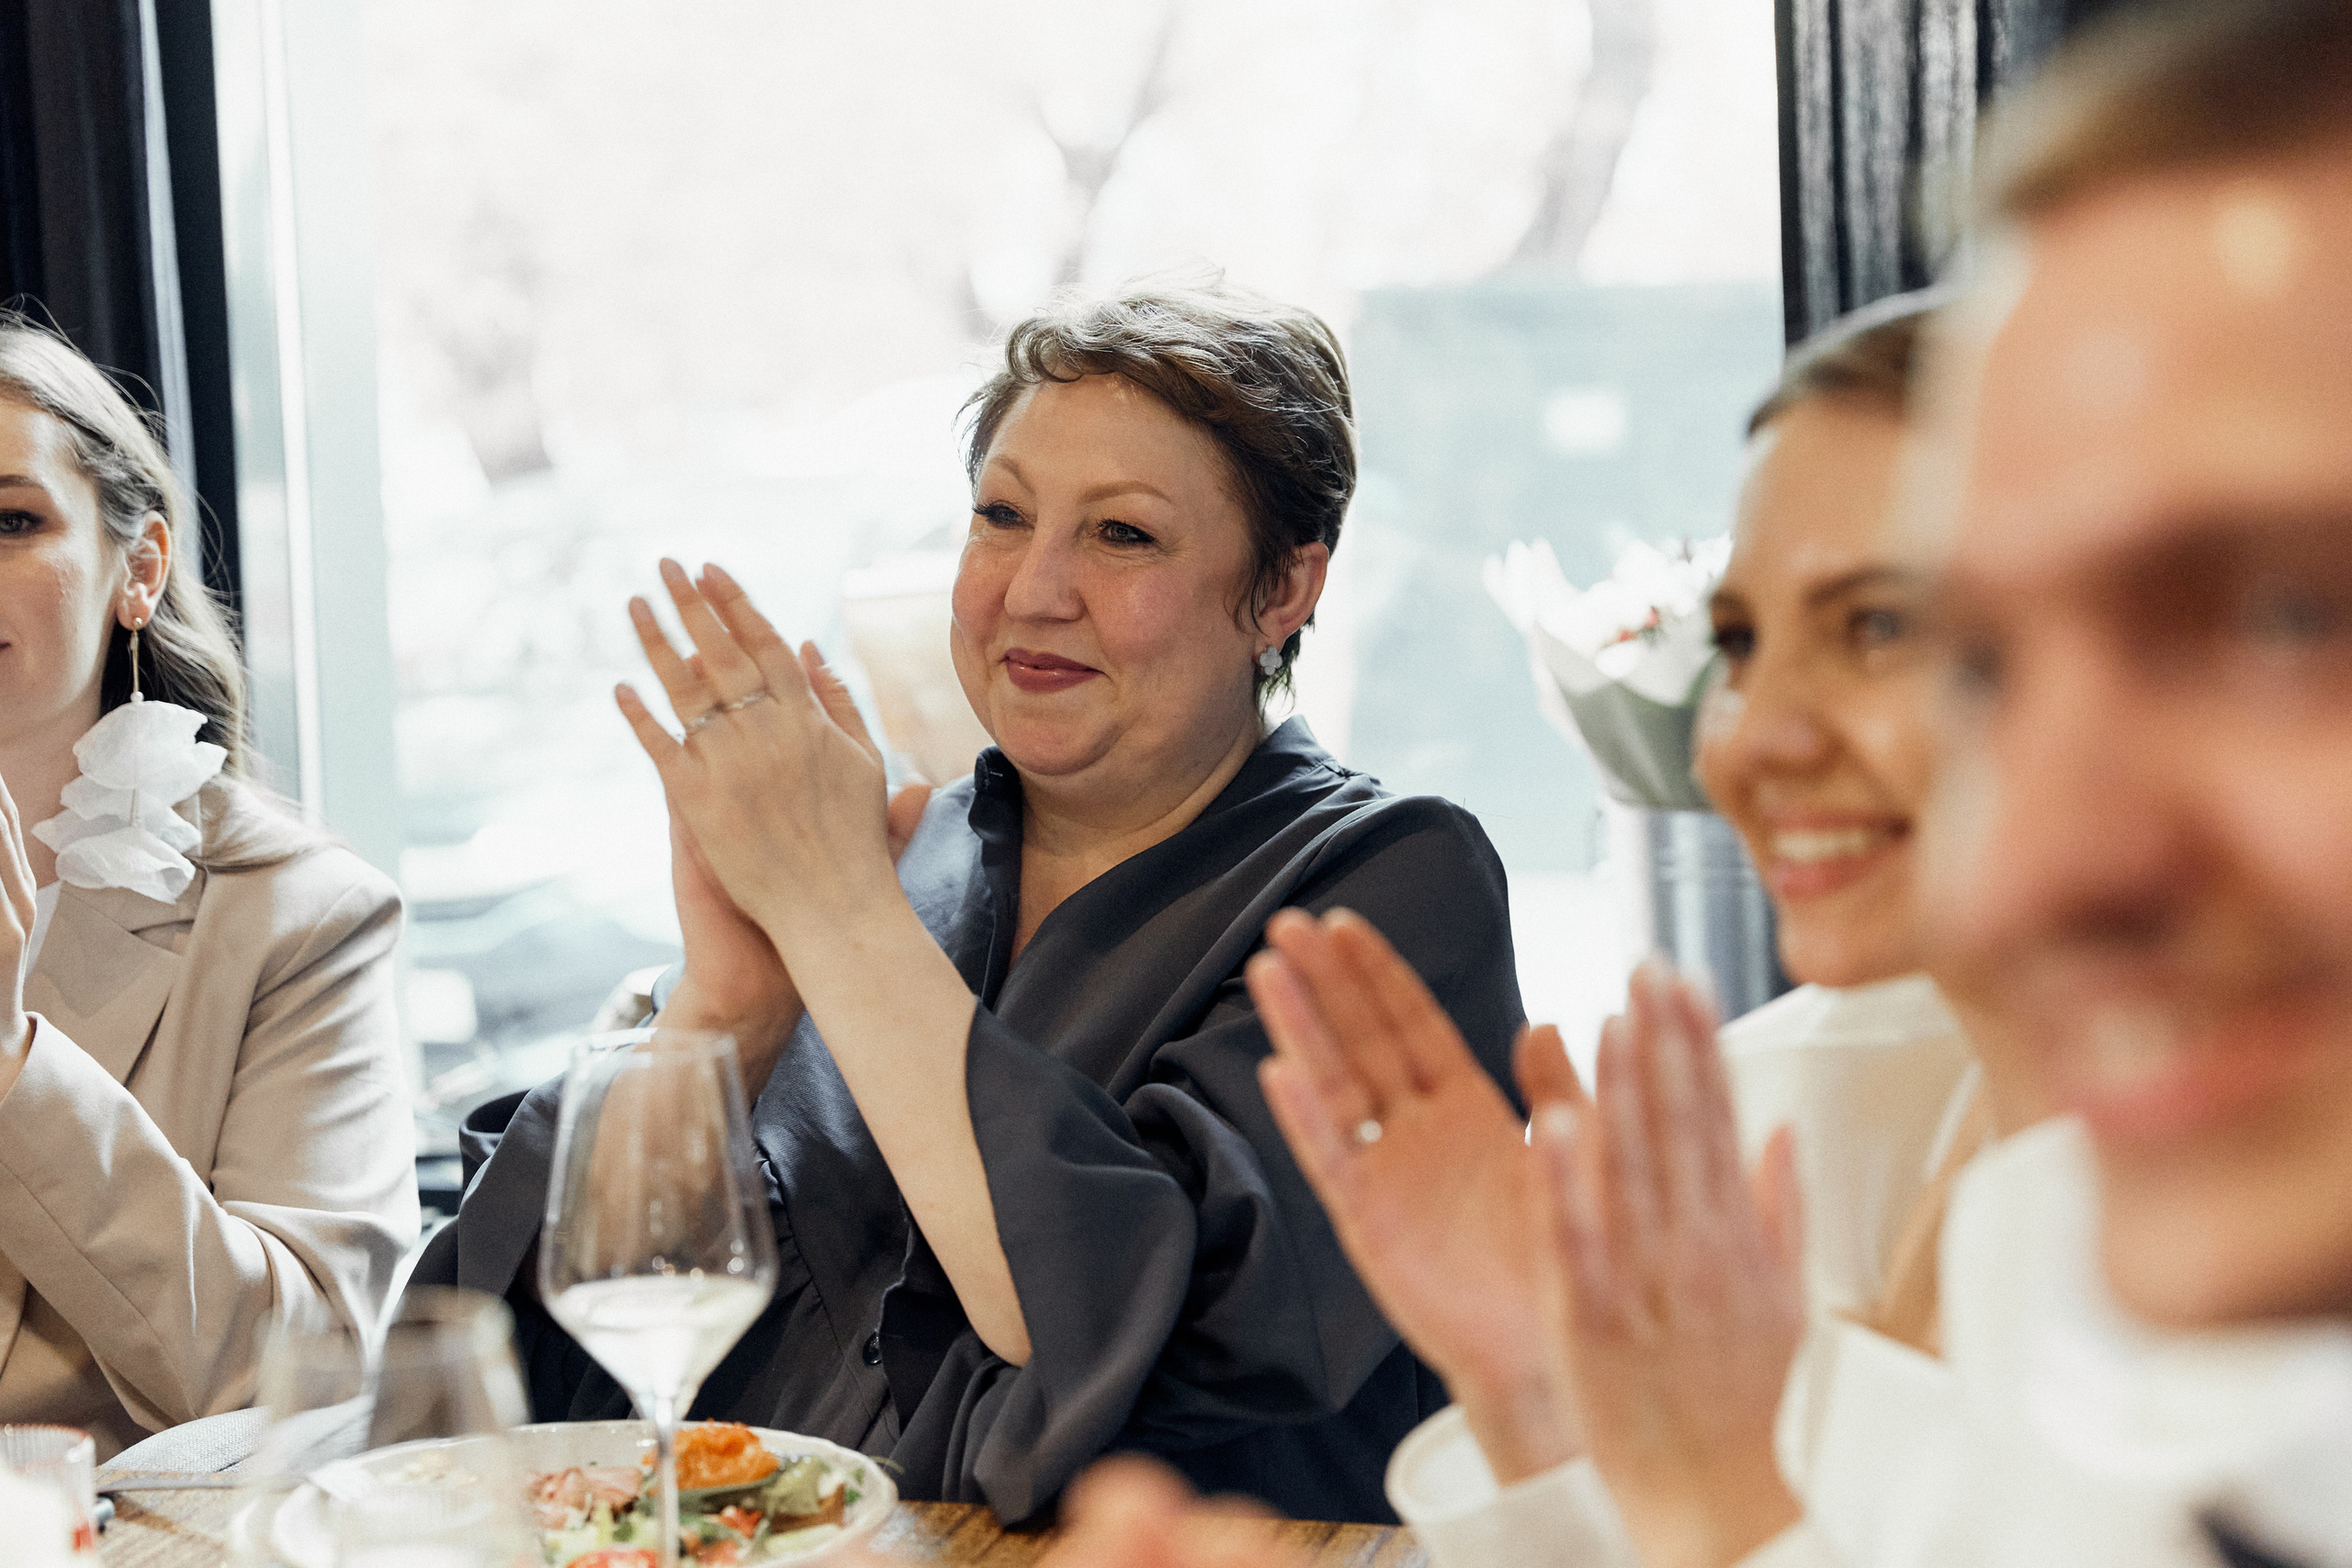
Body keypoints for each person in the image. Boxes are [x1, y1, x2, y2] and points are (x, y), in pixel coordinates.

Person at [415, 279, 1527, 1524]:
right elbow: (510, 1363)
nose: (1032, 589)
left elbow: (1128, 1331)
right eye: (1001, 515)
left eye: (1123, 535)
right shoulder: (904, 859)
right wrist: (730, 1009)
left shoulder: (1390, 884)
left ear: (1282, 591)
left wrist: (839, 916)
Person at [0, 314, 417, 1459]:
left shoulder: (299, 917)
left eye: (8, 520)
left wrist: (10, 1061)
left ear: (138, 569)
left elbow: (306, 1370)